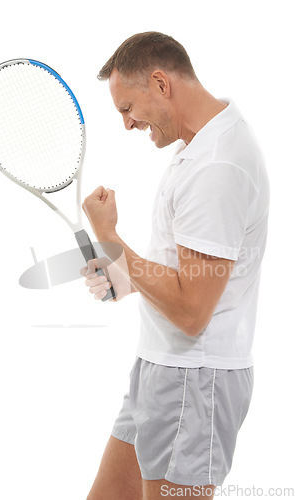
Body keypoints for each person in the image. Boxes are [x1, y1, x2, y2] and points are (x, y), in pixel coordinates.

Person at [81, 32, 270, 500]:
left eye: (128, 109)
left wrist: (111, 239)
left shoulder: (217, 166)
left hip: (194, 381)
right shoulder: (202, 144)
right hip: (161, 369)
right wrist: (124, 279)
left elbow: (191, 312)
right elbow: (191, 275)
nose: (127, 124)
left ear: (161, 84)